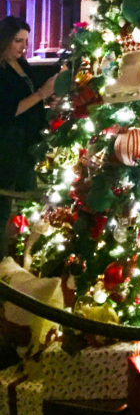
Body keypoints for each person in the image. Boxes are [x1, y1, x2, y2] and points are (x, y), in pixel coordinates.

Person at [0, 17, 56, 249]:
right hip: (10, 144)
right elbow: (9, 111)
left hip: (29, 141)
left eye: (26, 41)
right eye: (18, 41)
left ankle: (18, 250)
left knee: (26, 198)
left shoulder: (21, 64)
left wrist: (50, 97)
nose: (23, 46)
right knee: (8, 198)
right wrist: (42, 93)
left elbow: (32, 96)